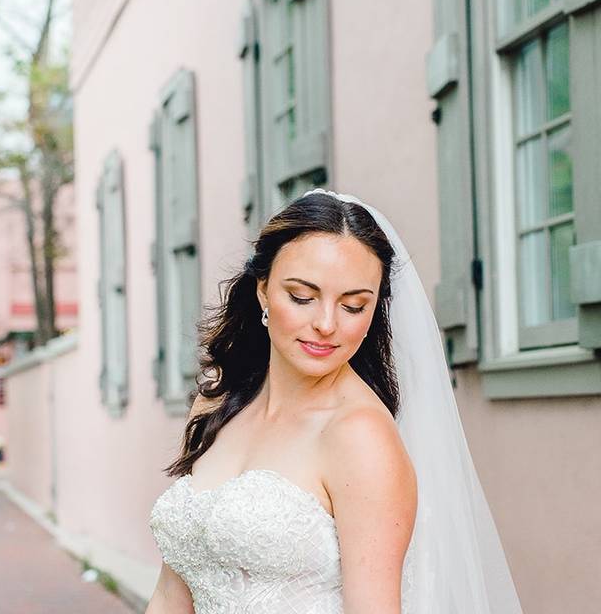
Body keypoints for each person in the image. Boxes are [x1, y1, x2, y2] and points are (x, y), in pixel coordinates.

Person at [147, 189, 522, 613]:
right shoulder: (214, 406)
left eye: (353, 305)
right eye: (302, 297)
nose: (326, 324)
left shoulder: (360, 439)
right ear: (263, 291)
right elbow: (170, 594)